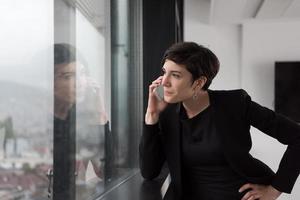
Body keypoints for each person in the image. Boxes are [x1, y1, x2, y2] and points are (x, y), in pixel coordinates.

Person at [139, 42, 300, 200]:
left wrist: (275, 190)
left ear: (199, 82)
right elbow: (149, 172)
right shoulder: (168, 114)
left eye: (175, 75)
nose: (164, 81)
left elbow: (297, 136)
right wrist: (151, 114)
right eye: (164, 72)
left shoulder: (235, 104)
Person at [53, 43, 112, 200]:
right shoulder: (43, 123)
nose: (80, 82)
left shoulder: (81, 122)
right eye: (68, 76)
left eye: (83, 73)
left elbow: (106, 171)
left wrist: (98, 111)